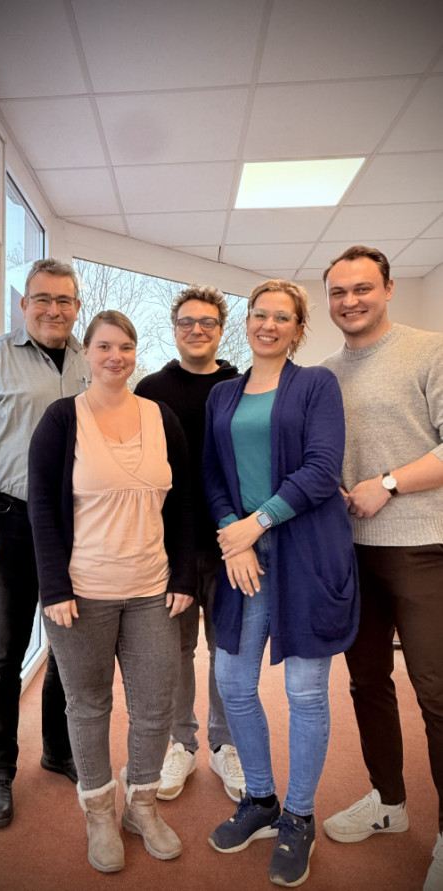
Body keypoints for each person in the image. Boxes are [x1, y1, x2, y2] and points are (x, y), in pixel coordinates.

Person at [202, 279, 359, 887]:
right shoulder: (222, 393)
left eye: (282, 317)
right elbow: (213, 475)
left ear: (298, 329)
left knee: (305, 691)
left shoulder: (316, 385)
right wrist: (233, 533)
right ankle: (262, 799)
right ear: (246, 321)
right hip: (243, 555)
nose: (268, 325)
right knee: (232, 681)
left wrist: (257, 522)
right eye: (259, 314)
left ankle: (298, 816)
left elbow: (322, 469)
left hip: (306, 553)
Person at [27, 310, 196, 874]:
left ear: (134, 352)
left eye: (125, 346)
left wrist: (184, 576)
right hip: (82, 593)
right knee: (89, 705)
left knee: (154, 706)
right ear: (87, 352)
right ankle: (99, 812)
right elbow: (42, 510)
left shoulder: (160, 416)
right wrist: (54, 588)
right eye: (104, 346)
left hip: (152, 589)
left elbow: (184, 504)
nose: (115, 356)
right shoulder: (62, 418)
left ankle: (141, 807)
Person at [0, 258, 88, 830]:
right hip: (6, 517)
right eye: (42, 299)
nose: (54, 309)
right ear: (24, 305)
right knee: (1, 651)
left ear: (76, 307)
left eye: (64, 300)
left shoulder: (89, 359)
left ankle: (59, 750)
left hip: (75, 524)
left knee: (69, 644)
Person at [321, 246, 443, 891]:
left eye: (363, 288)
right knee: (367, 682)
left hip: (422, 545)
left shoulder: (429, 351)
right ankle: (389, 804)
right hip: (349, 553)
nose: (350, 301)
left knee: (436, 691)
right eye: (338, 292)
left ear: (389, 289)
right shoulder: (323, 374)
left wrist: (388, 483)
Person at [135, 285, 245, 802]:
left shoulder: (242, 386)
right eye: (186, 322)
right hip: (169, 547)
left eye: (207, 322)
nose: (197, 330)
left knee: (227, 650)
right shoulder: (150, 389)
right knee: (175, 652)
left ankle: (225, 744)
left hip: (232, 545)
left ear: (221, 330)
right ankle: (182, 742)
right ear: (174, 329)